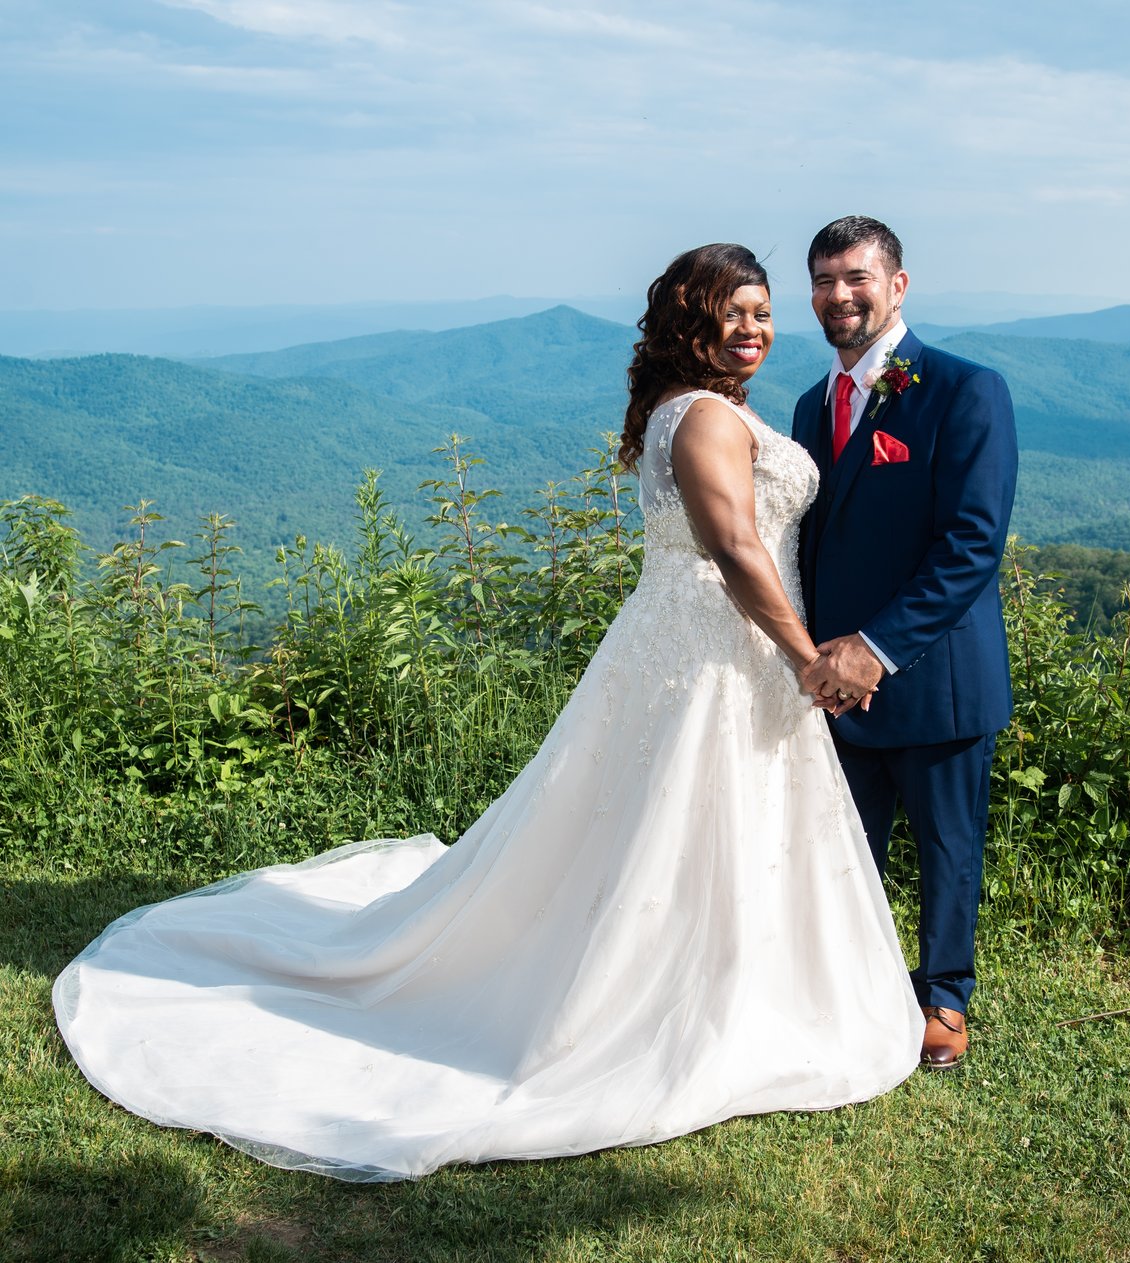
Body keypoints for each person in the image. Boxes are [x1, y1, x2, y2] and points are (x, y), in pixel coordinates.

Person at [51, 244, 923, 1181]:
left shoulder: (710, 407)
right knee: (679, 818)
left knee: (698, 821)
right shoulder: (706, 418)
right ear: (691, 321)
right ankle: (671, 998)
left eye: (761, 311)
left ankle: (741, 983)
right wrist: (806, 659)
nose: (753, 328)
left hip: (717, 645)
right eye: (732, 312)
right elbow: (738, 552)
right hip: (718, 646)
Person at [788, 216, 1018, 1071]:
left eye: (856, 276)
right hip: (834, 682)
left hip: (933, 673)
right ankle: (857, 985)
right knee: (845, 842)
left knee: (949, 845)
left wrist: (875, 649)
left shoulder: (964, 389)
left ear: (898, 285)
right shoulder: (815, 406)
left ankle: (944, 998)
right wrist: (812, 654)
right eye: (822, 280)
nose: (838, 295)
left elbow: (971, 544)